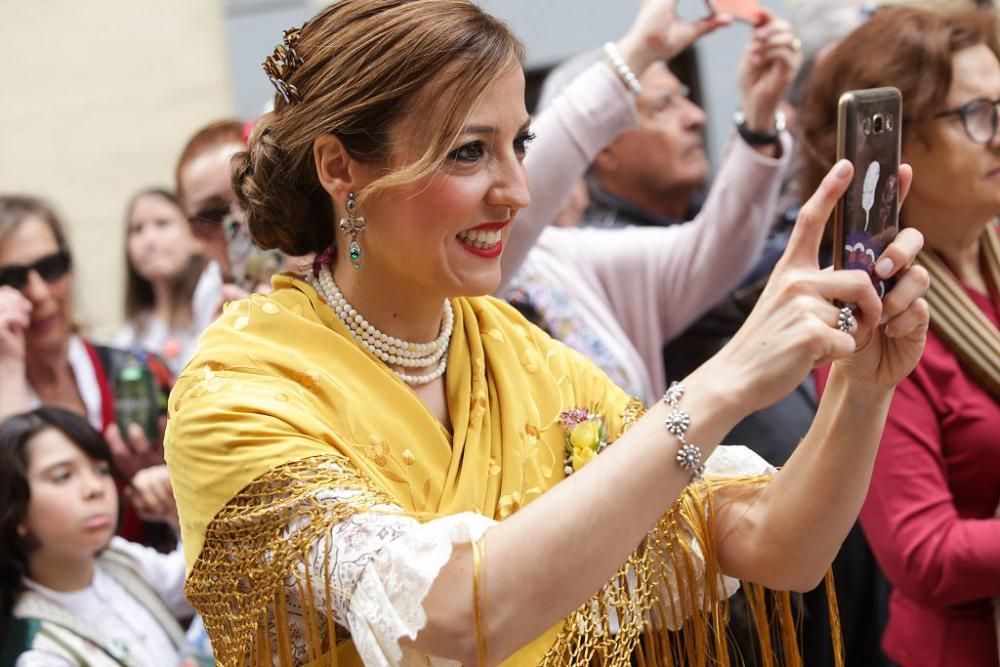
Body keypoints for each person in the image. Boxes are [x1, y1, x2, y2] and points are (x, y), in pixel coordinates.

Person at [164, 1, 930, 665]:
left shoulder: (512, 349)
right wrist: (723, 383)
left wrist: (864, 386)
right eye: (469, 151)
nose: (517, 192)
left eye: (518, 145)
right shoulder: (237, 391)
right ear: (340, 168)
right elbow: (458, 613)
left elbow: (777, 544)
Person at [800, 6, 1000, 666]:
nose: (999, 133)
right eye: (977, 115)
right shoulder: (875, 320)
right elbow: (923, 554)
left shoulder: (993, 249)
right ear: (898, 146)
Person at [501, 8, 800, 403]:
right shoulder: (458, 280)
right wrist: (637, 53)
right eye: (470, 152)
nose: (697, 117)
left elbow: (714, 249)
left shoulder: (559, 260)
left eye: (519, 145)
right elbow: (526, 186)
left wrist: (759, 121)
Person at [0, 195, 171, 544]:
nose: (39, 293)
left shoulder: (140, 371)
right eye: (13, 279)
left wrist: (164, 474)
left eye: (51, 267)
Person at [0, 407, 199, 666]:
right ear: (16, 511)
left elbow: (201, 582)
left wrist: (182, 511)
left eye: (102, 470)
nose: (95, 488)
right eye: (63, 475)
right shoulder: (38, 652)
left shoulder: (118, 558)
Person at [176, 119, 285, 295]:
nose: (243, 222)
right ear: (191, 232)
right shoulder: (204, 307)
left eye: (251, 195)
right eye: (212, 215)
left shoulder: (327, 273)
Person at [115, 188, 216, 375]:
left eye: (162, 223)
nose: (149, 239)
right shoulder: (129, 338)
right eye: (137, 229)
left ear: (195, 235)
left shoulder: (216, 305)